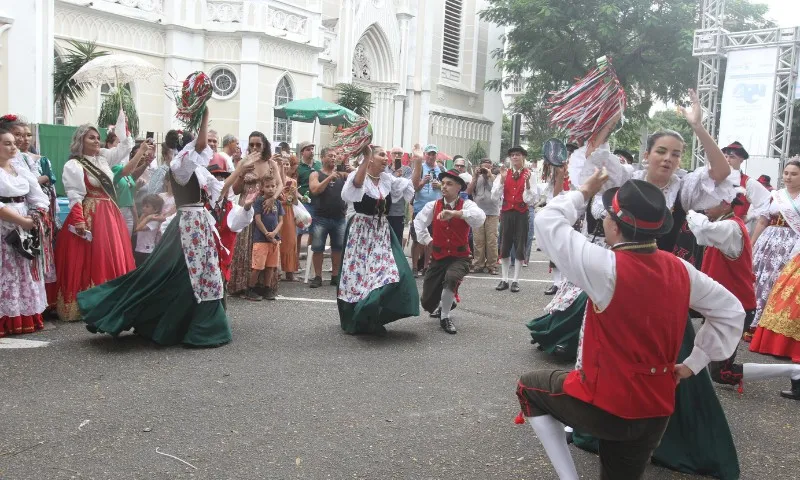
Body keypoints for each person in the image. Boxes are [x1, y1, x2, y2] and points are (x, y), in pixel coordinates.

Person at [517, 172, 744, 480]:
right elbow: (731, 311)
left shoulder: (604, 266)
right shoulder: (681, 269)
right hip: (657, 407)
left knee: (529, 386)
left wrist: (583, 191)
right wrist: (693, 364)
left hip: (606, 404)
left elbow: (548, 224)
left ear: (612, 224)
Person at [568, 90, 741, 479]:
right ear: (647, 154)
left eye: (676, 153)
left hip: (663, 282)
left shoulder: (684, 186)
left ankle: (664, 438)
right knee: (605, 354)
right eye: (661, 151)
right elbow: (594, 150)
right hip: (622, 280)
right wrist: (611, 115)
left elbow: (721, 174)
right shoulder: (626, 177)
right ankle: (602, 425)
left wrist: (697, 125)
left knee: (667, 359)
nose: (668, 159)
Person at [78, 107, 254, 347]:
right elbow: (201, 145)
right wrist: (204, 114)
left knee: (194, 275)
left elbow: (222, 191)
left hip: (199, 224)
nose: (204, 149)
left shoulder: (199, 170)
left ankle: (186, 324)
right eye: (195, 144)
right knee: (175, 275)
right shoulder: (179, 166)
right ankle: (188, 326)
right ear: (186, 147)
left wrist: (241, 170)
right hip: (187, 226)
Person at [686, 196, 800, 399]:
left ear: (725, 203)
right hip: (721, 305)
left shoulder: (730, 227)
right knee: (702, 351)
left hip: (734, 309)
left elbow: (701, 231)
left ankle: (794, 371)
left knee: (722, 373)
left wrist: (689, 211)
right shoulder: (725, 224)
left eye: (708, 202)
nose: (704, 208)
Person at [55, 109, 135, 321]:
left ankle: (111, 301)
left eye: (98, 137)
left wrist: (121, 123)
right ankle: (88, 303)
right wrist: (79, 220)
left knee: (110, 257)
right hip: (91, 214)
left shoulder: (102, 159)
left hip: (110, 214)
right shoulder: (74, 165)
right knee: (92, 258)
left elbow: (125, 147)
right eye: (91, 137)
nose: (96, 141)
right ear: (80, 140)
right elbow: (74, 195)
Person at [338, 145, 418, 334]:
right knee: (359, 279)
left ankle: (371, 317)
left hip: (381, 232)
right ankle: (362, 320)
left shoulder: (387, 179)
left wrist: (419, 161)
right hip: (360, 233)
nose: (386, 158)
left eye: (387, 155)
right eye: (382, 154)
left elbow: (412, 187)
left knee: (391, 274)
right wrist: (364, 160)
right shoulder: (359, 177)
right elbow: (356, 186)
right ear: (371, 158)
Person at [414, 169, 485, 334]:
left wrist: (455, 213)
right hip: (438, 256)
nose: (444, 187)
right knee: (426, 302)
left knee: (451, 278)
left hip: (460, 256)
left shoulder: (466, 205)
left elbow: (479, 218)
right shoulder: (433, 205)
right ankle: (447, 301)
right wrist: (428, 240)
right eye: (443, 183)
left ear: (458, 188)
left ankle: (444, 317)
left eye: (449, 184)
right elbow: (418, 223)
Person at [0, 128, 50, 337]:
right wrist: (20, 220)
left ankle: (25, 315)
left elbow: (37, 195)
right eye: (7, 143)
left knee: (24, 268)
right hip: (5, 225)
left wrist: (36, 214)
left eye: (13, 143)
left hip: (25, 224)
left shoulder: (19, 169)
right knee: (6, 270)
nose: (13, 147)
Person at [748, 160, 800, 333]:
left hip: (793, 244)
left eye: (794, 174)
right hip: (769, 242)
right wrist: (752, 244)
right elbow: (762, 221)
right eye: (786, 173)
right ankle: (753, 322)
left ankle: (770, 327)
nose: (788, 177)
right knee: (762, 279)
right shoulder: (775, 195)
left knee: (780, 281)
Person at [227, 132, 282, 296]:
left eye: (258, 144)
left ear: (264, 145)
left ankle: (263, 286)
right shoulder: (245, 163)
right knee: (247, 245)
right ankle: (245, 285)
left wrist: (273, 199)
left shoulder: (271, 164)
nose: (255, 147)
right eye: (252, 144)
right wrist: (242, 172)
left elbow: (280, 184)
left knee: (265, 245)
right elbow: (236, 190)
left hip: (267, 208)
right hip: (248, 207)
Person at [493, 146, 539, 293]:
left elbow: (531, 199)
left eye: (517, 155)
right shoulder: (505, 173)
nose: (514, 157)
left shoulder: (529, 174)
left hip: (521, 213)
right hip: (506, 213)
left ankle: (516, 280)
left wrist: (527, 184)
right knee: (505, 245)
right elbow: (495, 196)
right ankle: (504, 279)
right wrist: (501, 180)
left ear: (523, 157)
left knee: (520, 246)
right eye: (512, 155)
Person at [246, 176, 284, 301]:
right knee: (257, 267)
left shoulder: (277, 203)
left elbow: (281, 221)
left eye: (273, 186)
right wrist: (267, 233)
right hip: (261, 240)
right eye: (267, 186)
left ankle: (266, 288)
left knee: (270, 266)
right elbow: (257, 219)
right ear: (262, 188)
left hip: (274, 240)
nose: (271, 189)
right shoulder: (259, 202)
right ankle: (250, 289)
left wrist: (274, 233)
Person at [721, 141, 771, 233]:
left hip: (735, 232)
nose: (727, 160)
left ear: (741, 160)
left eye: (732, 157)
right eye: (725, 157)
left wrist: (750, 216)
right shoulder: (717, 179)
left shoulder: (748, 182)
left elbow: (767, 200)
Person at [411, 144, 443, 277]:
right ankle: (414, 267)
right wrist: (423, 182)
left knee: (432, 239)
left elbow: (447, 186)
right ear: (425, 155)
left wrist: (440, 185)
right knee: (417, 239)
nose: (431, 156)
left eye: (433, 154)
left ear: (436, 155)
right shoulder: (420, 168)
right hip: (420, 208)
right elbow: (415, 188)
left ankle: (426, 267)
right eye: (429, 154)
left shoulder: (441, 169)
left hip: (435, 208)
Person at [468, 158, 500, 274]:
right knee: (478, 240)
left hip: (492, 213)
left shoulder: (496, 178)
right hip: (478, 213)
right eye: (484, 167)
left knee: (492, 241)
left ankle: (492, 265)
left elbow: (500, 188)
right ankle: (478, 264)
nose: (486, 169)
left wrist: (490, 174)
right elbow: (468, 191)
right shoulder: (476, 177)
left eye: (488, 167)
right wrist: (475, 176)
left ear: (491, 167)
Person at [295, 141, 319, 262]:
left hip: (317, 203)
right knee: (299, 233)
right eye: (308, 149)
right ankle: (296, 260)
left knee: (313, 233)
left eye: (312, 149)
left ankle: (310, 261)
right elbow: (294, 186)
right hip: (303, 205)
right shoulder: (298, 167)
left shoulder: (319, 165)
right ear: (302, 152)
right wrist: (300, 197)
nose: (311, 151)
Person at [386, 147, 412, 245]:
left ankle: (397, 260)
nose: (396, 155)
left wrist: (397, 180)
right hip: (384, 210)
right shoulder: (384, 168)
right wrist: (397, 179)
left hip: (398, 211)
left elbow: (405, 187)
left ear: (402, 155)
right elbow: (383, 186)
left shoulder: (407, 169)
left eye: (399, 153)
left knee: (397, 241)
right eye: (394, 153)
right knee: (385, 240)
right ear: (390, 155)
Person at [279, 157, 299, 281]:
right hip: (276, 212)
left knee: (290, 240)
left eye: (287, 164)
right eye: (282, 164)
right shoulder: (274, 179)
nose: (285, 166)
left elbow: (294, 201)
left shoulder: (293, 181)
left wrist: (290, 196)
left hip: (288, 212)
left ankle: (289, 271)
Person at [132, 194, 165, 267]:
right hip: (139, 248)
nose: (144, 208)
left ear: (156, 209)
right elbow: (136, 229)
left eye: (147, 206)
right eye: (143, 206)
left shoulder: (154, 221)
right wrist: (144, 217)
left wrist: (148, 218)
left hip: (147, 250)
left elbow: (138, 228)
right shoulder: (146, 217)